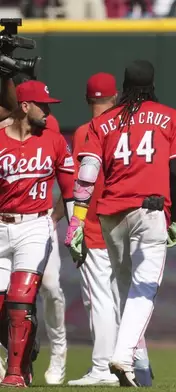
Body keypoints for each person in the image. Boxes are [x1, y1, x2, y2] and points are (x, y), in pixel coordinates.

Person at [64, 60, 176, 386]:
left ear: (123, 87)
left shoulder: (102, 122)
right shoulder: (170, 117)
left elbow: (87, 176)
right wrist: (174, 216)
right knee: (144, 290)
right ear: (152, 85)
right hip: (148, 212)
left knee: (125, 291)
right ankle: (123, 355)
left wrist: (77, 221)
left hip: (109, 215)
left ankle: (141, 368)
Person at [66, 72, 154, 387]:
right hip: (125, 222)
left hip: (93, 223)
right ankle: (134, 361)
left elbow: (82, 184)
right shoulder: (124, 128)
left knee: (100, 299)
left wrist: (74, 224)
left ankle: (103, 368)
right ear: (115, 97)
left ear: (88, 98)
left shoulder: (85, 132)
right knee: (123, 297)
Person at [0, 80, 75, 387]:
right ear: (26, 107)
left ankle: (16, 372)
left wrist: (76, 225)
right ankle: (25, 350)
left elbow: (71, 189)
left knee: (21, 296)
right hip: (1, 225)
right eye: (43, 105)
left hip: (35, 224)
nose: (48, 111)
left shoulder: (54, 141)